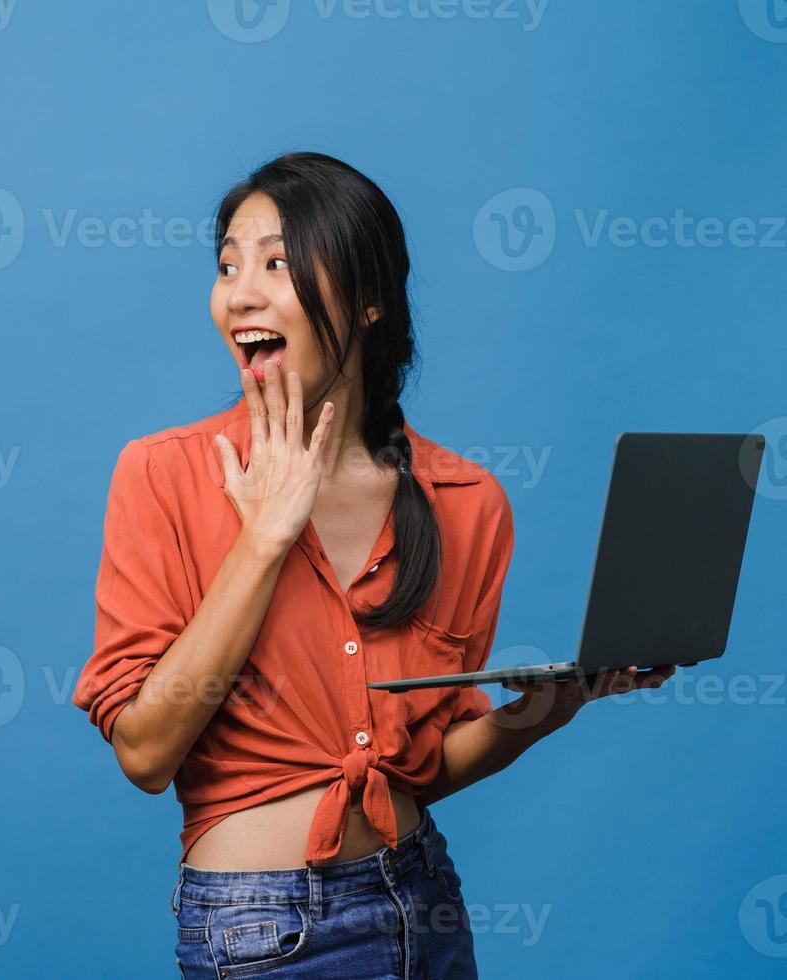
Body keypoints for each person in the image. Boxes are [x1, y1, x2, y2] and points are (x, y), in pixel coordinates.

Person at [71, 151, 675, 978]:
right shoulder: (162, 475)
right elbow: (145, 753)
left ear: (366, 303)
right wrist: (264, 539)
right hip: (261, 931)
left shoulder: (467, 500)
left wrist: (544, 712)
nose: (240, 293)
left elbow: (426, 766)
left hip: (422, 901)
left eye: (277, 263)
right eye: (227, 266)